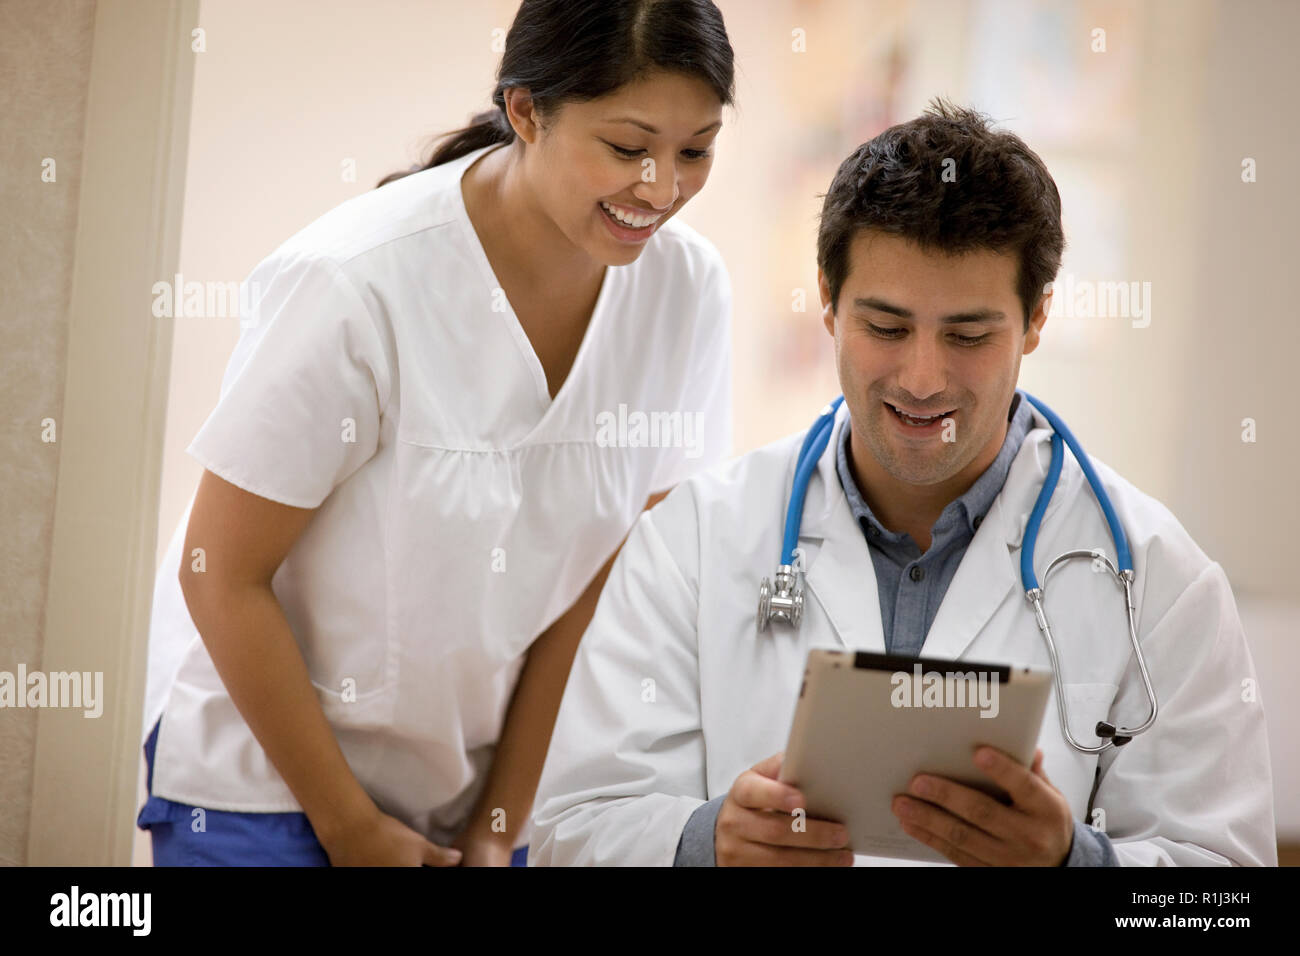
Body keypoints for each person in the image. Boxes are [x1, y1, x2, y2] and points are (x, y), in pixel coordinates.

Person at [528, 100, 1278, 867]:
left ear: (1037, 319)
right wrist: (704, 844)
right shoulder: (692, 541)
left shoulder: (1157, 579)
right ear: (827, 300)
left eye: (969, 335)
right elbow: (570, 833)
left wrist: (1074, 863)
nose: (922, 379)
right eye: (885, 327)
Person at [137, 0, 736, 866]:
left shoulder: (686, 294)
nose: (662, 187)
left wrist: (499, 827)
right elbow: (220, 573)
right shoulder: (355, 283)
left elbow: (595, 594)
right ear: (526, 111)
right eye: (626, 146)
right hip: (265, 782)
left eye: (696, 150)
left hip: (475, 798)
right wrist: (348, 828)